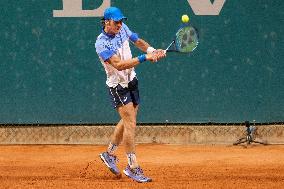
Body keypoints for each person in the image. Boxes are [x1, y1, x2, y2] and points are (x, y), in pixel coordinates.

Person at [95, 7, 166, 183]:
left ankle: (109, 153)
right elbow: (118, 65)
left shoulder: (123, 29)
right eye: (116, 22)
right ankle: (132, 167)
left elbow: (137, 40)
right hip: (118, 86)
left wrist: (152, 50)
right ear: (107, 22)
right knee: (130, 123)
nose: (120, 24)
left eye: (121, 21)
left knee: (129, 118)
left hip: (131, 80)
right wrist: (144, 58)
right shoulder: (101, 43)